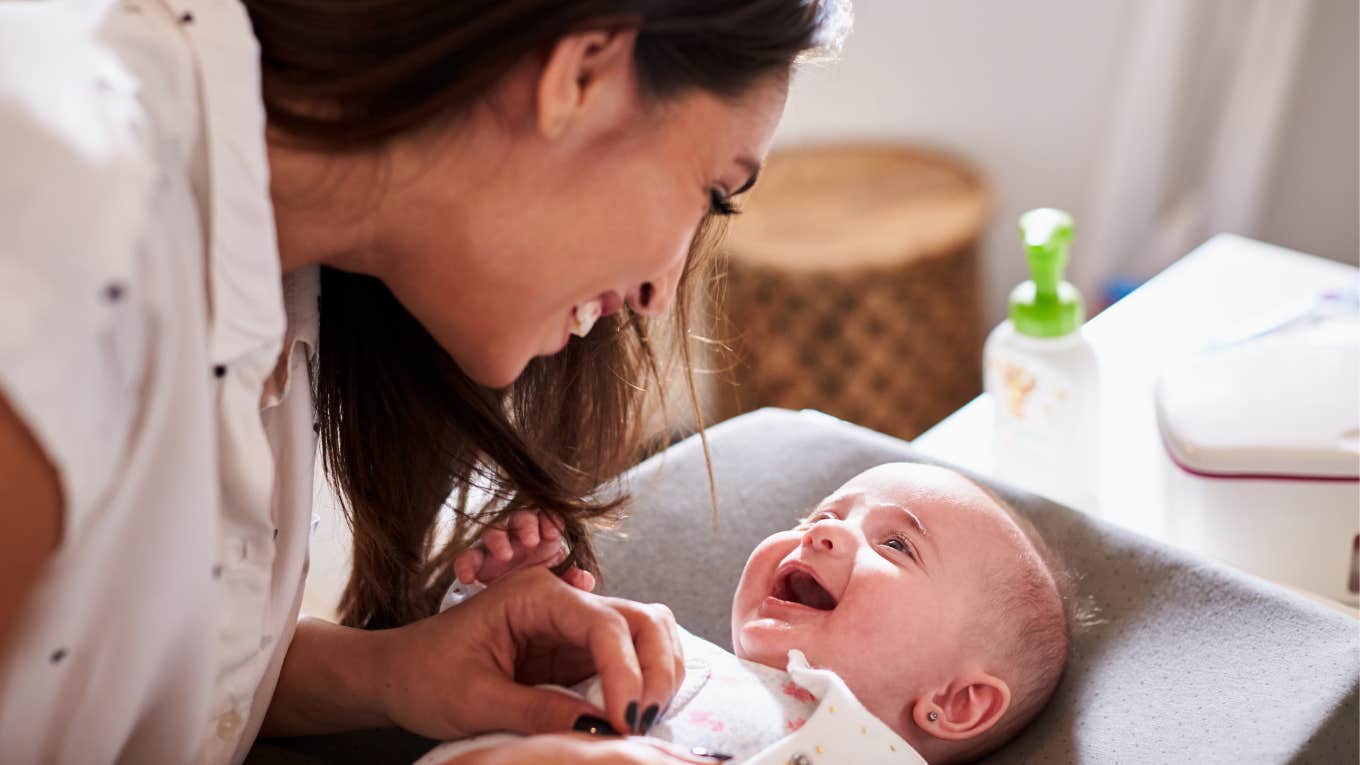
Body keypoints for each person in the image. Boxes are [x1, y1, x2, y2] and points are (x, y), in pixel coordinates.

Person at [0, 1, 851, 763]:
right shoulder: (65, 227)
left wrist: (393, 674)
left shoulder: (288, 265)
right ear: (581, 72)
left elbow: (109, 675)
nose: (659, 296)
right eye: (714, 190)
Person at [422, 463, 1073, 764]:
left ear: (956, 701)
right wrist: (523, 624)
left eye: (896, 543)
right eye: (819, 516)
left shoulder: (864, 754)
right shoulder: (674, 650)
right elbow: (476, 689)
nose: (822, 534)